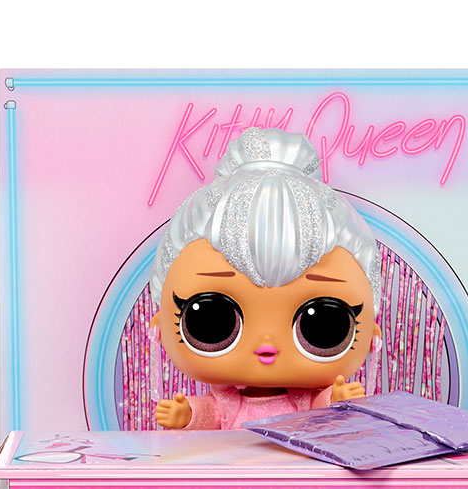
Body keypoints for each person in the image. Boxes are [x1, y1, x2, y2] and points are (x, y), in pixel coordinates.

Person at [149, 127, 382, 430]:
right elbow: (211, 412)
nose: (267, 345)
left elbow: (321, 407)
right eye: (212, 320)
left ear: (373, 337)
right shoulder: (228, 403)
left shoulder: (304, 403)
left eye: (324, 325)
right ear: (158, 328)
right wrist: (187, 415)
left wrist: (336, 400)